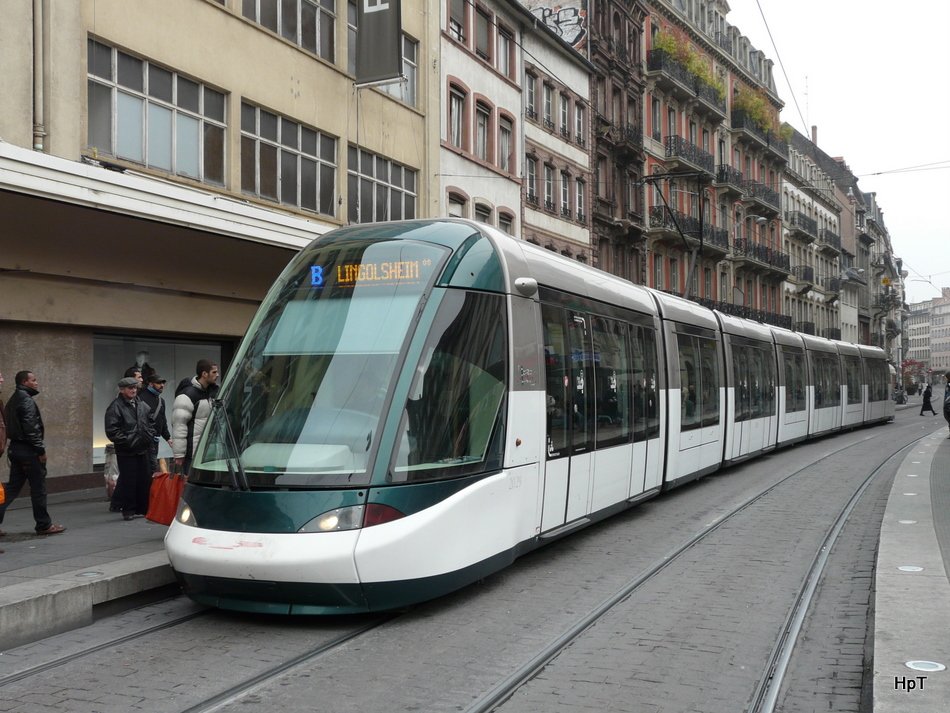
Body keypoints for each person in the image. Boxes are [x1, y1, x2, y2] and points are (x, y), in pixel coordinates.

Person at [0, 371, 66, 535]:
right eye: (33, 380)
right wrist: (40, 450)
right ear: (25, 382)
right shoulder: (26, 400)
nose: (37, 383)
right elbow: (31, 429)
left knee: (12, 488)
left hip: (16, 449)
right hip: (28, 451)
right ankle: (43, 525)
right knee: (38, 488)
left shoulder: (14, 399)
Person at [105, 376, 156, 520]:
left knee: (143, 480)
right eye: (130, 388)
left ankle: (142, 509)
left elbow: (150, 422)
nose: (133, 390)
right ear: (122, 390)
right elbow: (112, 430)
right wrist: (128, 442)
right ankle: (128, 510)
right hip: (127, 451)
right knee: (129, 481)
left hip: (142, 448)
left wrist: (148, 436)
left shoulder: (141, 404)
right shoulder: (115, 407)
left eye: (135, 388)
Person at [172, 359, 220, 472]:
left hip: (212, 453)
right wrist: (179, 454)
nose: (217, 375)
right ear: (204, 374)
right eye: (214, 372)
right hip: (193, 453)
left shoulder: (215, 391)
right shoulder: (187, 395)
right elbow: (179, 425)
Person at [138, 373, 173, 477]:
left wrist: (168, 438)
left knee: (151, 468)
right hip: (145, 440)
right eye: (158, 383)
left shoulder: (161, 401)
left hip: (155, 440)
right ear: (151, 384)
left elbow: (162, 420)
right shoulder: (141, 398)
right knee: (149, 468)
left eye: (163, 383)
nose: (162, 385)